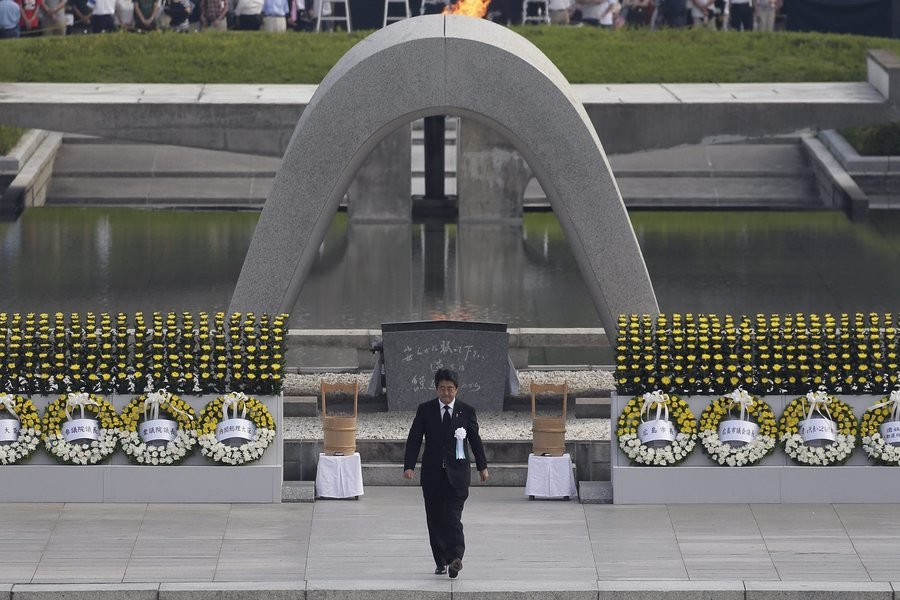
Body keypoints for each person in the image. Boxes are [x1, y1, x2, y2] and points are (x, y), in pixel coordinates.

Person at [403, 368, 488, 580]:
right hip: (433, 475)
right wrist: (409, 466)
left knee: (452, 517)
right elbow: (414, 439)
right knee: (435, 519)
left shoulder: (466, 411)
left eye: (450, 389)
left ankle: (455, 558)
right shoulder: (426, 410)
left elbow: (475, 440)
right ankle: (441, 561)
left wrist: (482, 466)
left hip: (457, 475)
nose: (446, 393)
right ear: (436, 389)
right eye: (442, 388)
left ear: (456, 389)